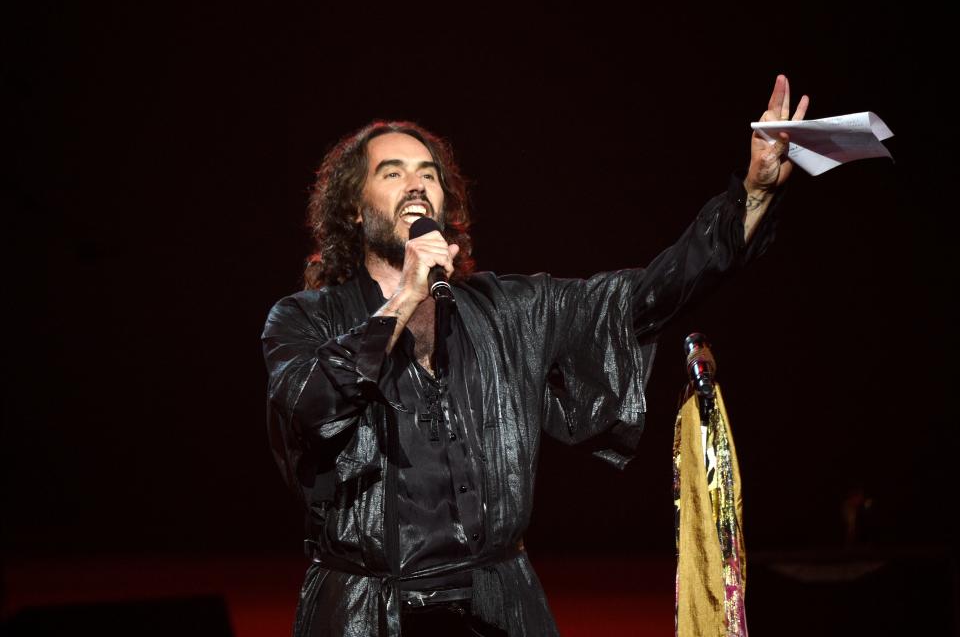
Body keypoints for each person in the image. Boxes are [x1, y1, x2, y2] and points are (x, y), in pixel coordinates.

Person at [262, 75, 809, 636]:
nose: (416, 185)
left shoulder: (508, 312)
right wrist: (405, 298)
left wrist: (756, 192)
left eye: (428, 174)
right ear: (354, 210)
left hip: (496, 610)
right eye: (393, 173)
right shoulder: (303, 318)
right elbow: (309, 407)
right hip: (369, 615)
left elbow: (645, 296)